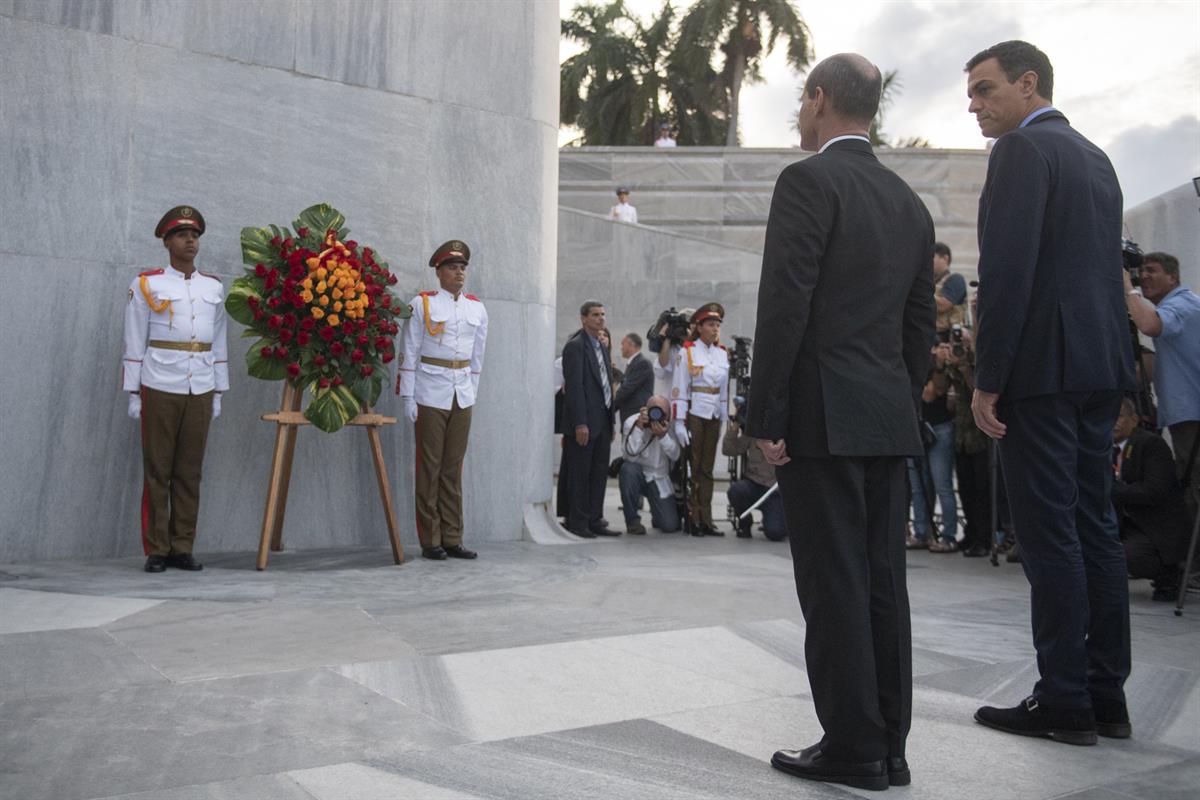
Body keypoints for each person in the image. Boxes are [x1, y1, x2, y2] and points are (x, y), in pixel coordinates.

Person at [746, 53, 935, 791]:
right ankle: (889, 745)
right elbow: (917, 327)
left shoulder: (808, 181)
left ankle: (853, 746)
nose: (800, 115)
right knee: (883, 582)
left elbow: (784, 301)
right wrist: (895, 397)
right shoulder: (907, 203)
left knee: (833, 585)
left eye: (801, 100)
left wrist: (766, 415)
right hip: (885, 417)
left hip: (822, 417)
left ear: (820, 100)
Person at [966, 41, 1135, 745]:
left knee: (1049, 533)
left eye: (984, 89)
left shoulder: (1020, 153)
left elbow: (1007, 276)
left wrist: (987, 380)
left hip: (1040, 376)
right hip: (1100, 370)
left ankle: (1062, 698)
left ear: (1028, 83)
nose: (973, 105)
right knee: (1095, 526)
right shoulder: (1097, 159)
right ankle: (1104, 696)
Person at [122, 205, 228, 573]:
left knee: (190, 470)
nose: (190, 242)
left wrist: (218, 390)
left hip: (199, 384)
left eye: (195, 236)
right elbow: (135, 339)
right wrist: (133, 392)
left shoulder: (212, 286)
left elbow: (219, 341)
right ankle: (157, 548)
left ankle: (183, 546)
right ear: (167, 241)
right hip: (160, 382)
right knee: (158, 469)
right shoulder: (148, 284)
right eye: (183, 235)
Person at [399, 240, 488, 561]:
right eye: (452, 267)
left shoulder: (476, 308)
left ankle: (453, 536)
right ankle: (430, 538)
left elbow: (477, 357)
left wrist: (472, 391)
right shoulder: (422, 305)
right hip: (430, 391)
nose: (459, 273)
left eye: (462, 267)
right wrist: (408, 395)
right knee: (430, 467)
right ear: (439, 272)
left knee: (453, 467)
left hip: (461, 391)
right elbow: (409, 352)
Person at [1123, 252, 1200, 520]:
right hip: (1185, 412)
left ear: (1173, 277)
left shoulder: (1183, 305)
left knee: (1194, 485)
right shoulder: (1181, 304)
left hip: (1193, 414)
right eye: (1141, 271)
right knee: (1189, 484)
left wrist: (1128, 290)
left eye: (1152, 270)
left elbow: (1149, 324)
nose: (1144, 276)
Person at [1111, 397, 1191, 600]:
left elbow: (1153, 491)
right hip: (1122, 522)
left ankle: (1169, 574)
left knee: (1128, 555)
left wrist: (1112, 490)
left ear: (1134, 419)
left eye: (1119, 416)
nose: (1113, 422)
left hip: (1153, 526)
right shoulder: (1103, 448)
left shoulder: (1150, 444)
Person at [562, 300, 620, 537]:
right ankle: (578, 521)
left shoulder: (601, 346)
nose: (600, 319)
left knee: (598, 473)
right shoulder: (575, 347)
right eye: (595, 315)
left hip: (603, 421)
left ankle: (596, 518)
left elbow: (607, 385)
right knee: (581, 472)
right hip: (585, 422)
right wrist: (580, 423)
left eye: (603, 314)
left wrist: (611, 420)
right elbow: (575, 388)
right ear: (584, 318)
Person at [671, 303, 729, 536]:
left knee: (707, 468)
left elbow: (724, 388)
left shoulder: (722, 353)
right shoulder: (687, 352)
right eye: (710, 325)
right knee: (694, 467)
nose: (715, 329)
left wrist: (725, 416)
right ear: (699, 327)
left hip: (714, 414)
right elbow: (679, 388)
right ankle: (693, 517)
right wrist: (678, 422)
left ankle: (707, 518)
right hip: (695, 413)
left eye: (717, 325)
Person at [906, 343, 959, 552]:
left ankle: (948, 535)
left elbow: (932, 392)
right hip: (915, 427)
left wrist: (937, 365)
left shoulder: (942, 365)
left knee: (942, 485)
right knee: (918, 487)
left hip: (939, 427)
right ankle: (921, 533)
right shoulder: (911, 359)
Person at [618, 396, 682, 535]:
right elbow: (629, 455)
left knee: (669, 525)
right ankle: (632, 521)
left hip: (659, 477)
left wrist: (663, 436)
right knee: (627, 470)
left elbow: (676, 455)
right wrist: (639, 428)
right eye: (654, 411)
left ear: (669, 414)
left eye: (662, 413)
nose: (657, 416)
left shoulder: (672, 425)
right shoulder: (633, 421)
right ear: (646, 410)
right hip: (637, 474)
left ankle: (657, 514)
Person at [723, 417, 786, 541]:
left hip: (776, 491)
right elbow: (729, 450)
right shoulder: (755, 432)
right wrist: (735, 427)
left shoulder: (787, 435)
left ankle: (779, 520)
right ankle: (745, 522)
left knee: (775, 532)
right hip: (754, 485)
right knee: (736, 491)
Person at [614, 333, 654, 426]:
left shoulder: (642, 363)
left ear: (630, 345)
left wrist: (608, 405)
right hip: (630, 417)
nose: (621, 348)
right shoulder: (633, 363)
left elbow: (626, 389)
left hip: (637, 418)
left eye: (622, 344)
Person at [933, 242, 967, 334]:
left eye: (932, 257)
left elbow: (943, 305)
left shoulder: (955, 279)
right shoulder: (931, 283)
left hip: (947, 337)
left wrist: (918, 292)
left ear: (945, 258)